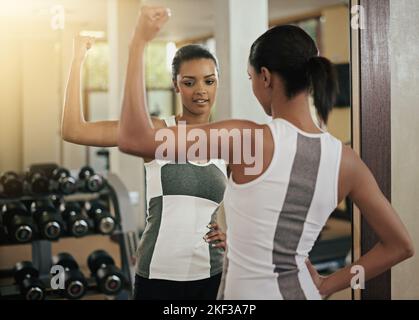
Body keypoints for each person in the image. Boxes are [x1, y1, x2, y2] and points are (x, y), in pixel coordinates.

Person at [117, 6, 414, 300]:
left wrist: (138, 44)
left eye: (250, 79)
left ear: (265, 77)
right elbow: (400, 246)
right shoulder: (347, 161)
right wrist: (327, 285)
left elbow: (133, 139)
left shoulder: (245, 139)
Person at [61, 35, 227, 300]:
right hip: (160, 274)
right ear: (176, 85)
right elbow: (74, 130)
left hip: (210, 273)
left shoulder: (225, 139)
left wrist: (230, 234)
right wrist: (77, 60)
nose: (201, 91)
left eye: (209, 81)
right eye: (189, 82)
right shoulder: (157, 131)